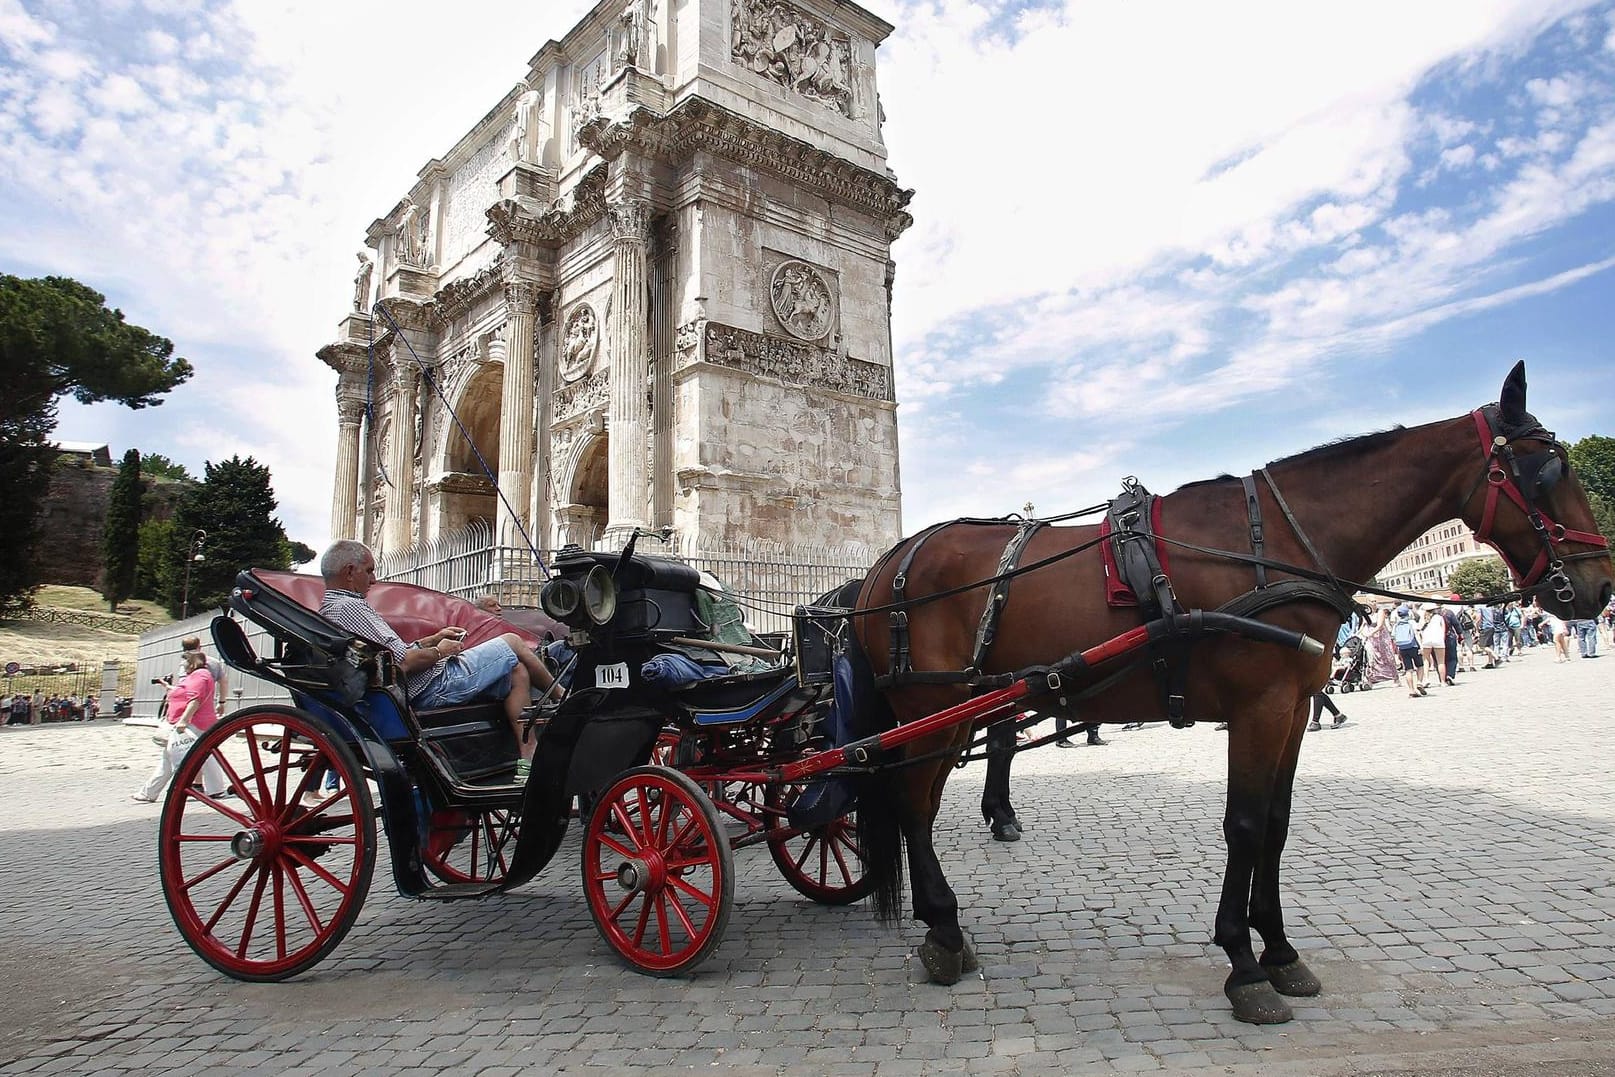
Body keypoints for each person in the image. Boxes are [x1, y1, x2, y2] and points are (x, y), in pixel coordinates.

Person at [317, 540, 560, 776]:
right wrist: (441, 650)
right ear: (349, 572)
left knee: (516, 669)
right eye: (369, 571)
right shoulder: (349, 608)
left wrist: (432, 639)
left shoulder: (331, 609)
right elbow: (403, 663)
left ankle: (527, 753)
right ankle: (563, 697)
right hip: (430, 686)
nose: (373, 579)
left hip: (411, 687)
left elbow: (393, 654)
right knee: (512, 641)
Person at [131, 649, 223, 803]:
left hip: (192, 723)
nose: (182, 665)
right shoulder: (199, 675)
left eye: (185, 662)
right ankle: (216, 788)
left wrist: (184, 720)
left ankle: (150, 792)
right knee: (204, 756)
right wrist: (167, 687)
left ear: (192, 662)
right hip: (197, 722)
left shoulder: (199, 675)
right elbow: (188, 694)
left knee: (172, 756)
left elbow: (196, 699)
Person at [180, 635, 228, 717]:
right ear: (200, 647)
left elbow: (182, 687)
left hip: (185, 707)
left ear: (184, 649)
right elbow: (223, 683)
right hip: (206, 709)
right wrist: (221, 702)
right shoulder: (214, 663)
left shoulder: (184, 664)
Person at [1391, 605, 1426, 698]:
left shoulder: (1396, 624)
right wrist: (1421, 646)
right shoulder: (1411, 622)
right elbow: (1417, 635)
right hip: (1413, 646)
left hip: (1402, 648)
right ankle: (1419, 682)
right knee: (1420, 666)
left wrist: (1398, 649)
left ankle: (1411, 690)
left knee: (1408, 670)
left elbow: (1394, 637)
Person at [1418, 604, 1444, 690]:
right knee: (1441, 662)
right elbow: (1443, 630)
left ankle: (1426, 679)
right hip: (1438, 639)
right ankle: (1442, 682)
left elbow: (1419, 630)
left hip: (1426, 639)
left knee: (1426, 660)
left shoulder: (1423, 618)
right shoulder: (1439, 618)